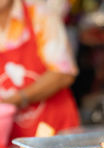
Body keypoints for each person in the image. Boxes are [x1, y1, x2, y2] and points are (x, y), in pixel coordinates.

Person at [0, 0, 79, 140]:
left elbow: (63, 73)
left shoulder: (39, 12)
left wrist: (16, 100)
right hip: (10, 142)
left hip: (56, 132)